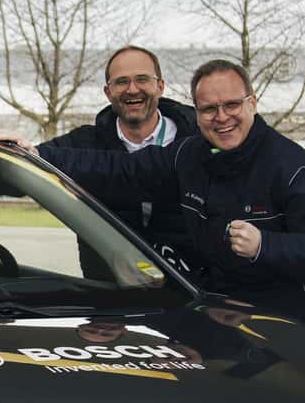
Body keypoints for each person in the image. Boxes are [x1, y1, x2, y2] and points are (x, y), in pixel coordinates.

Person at [7, 59, 305, 347]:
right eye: (208, 109)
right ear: (197, 111)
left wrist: (266, 244)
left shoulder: (292, 167)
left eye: (231, 105)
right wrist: (36, 155)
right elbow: (120, 170)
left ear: (252, 103)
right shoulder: (191, 154)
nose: (221, 117)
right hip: (237, 330)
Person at [43, 46, 198, 278]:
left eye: (142, 79)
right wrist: (10, 145)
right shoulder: (82, 143)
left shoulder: (198, 139)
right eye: (121, 82)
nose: (132, 89)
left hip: (190, 292)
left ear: (160, 86)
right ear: (108, 92)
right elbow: (18, 168)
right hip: (110, 297)